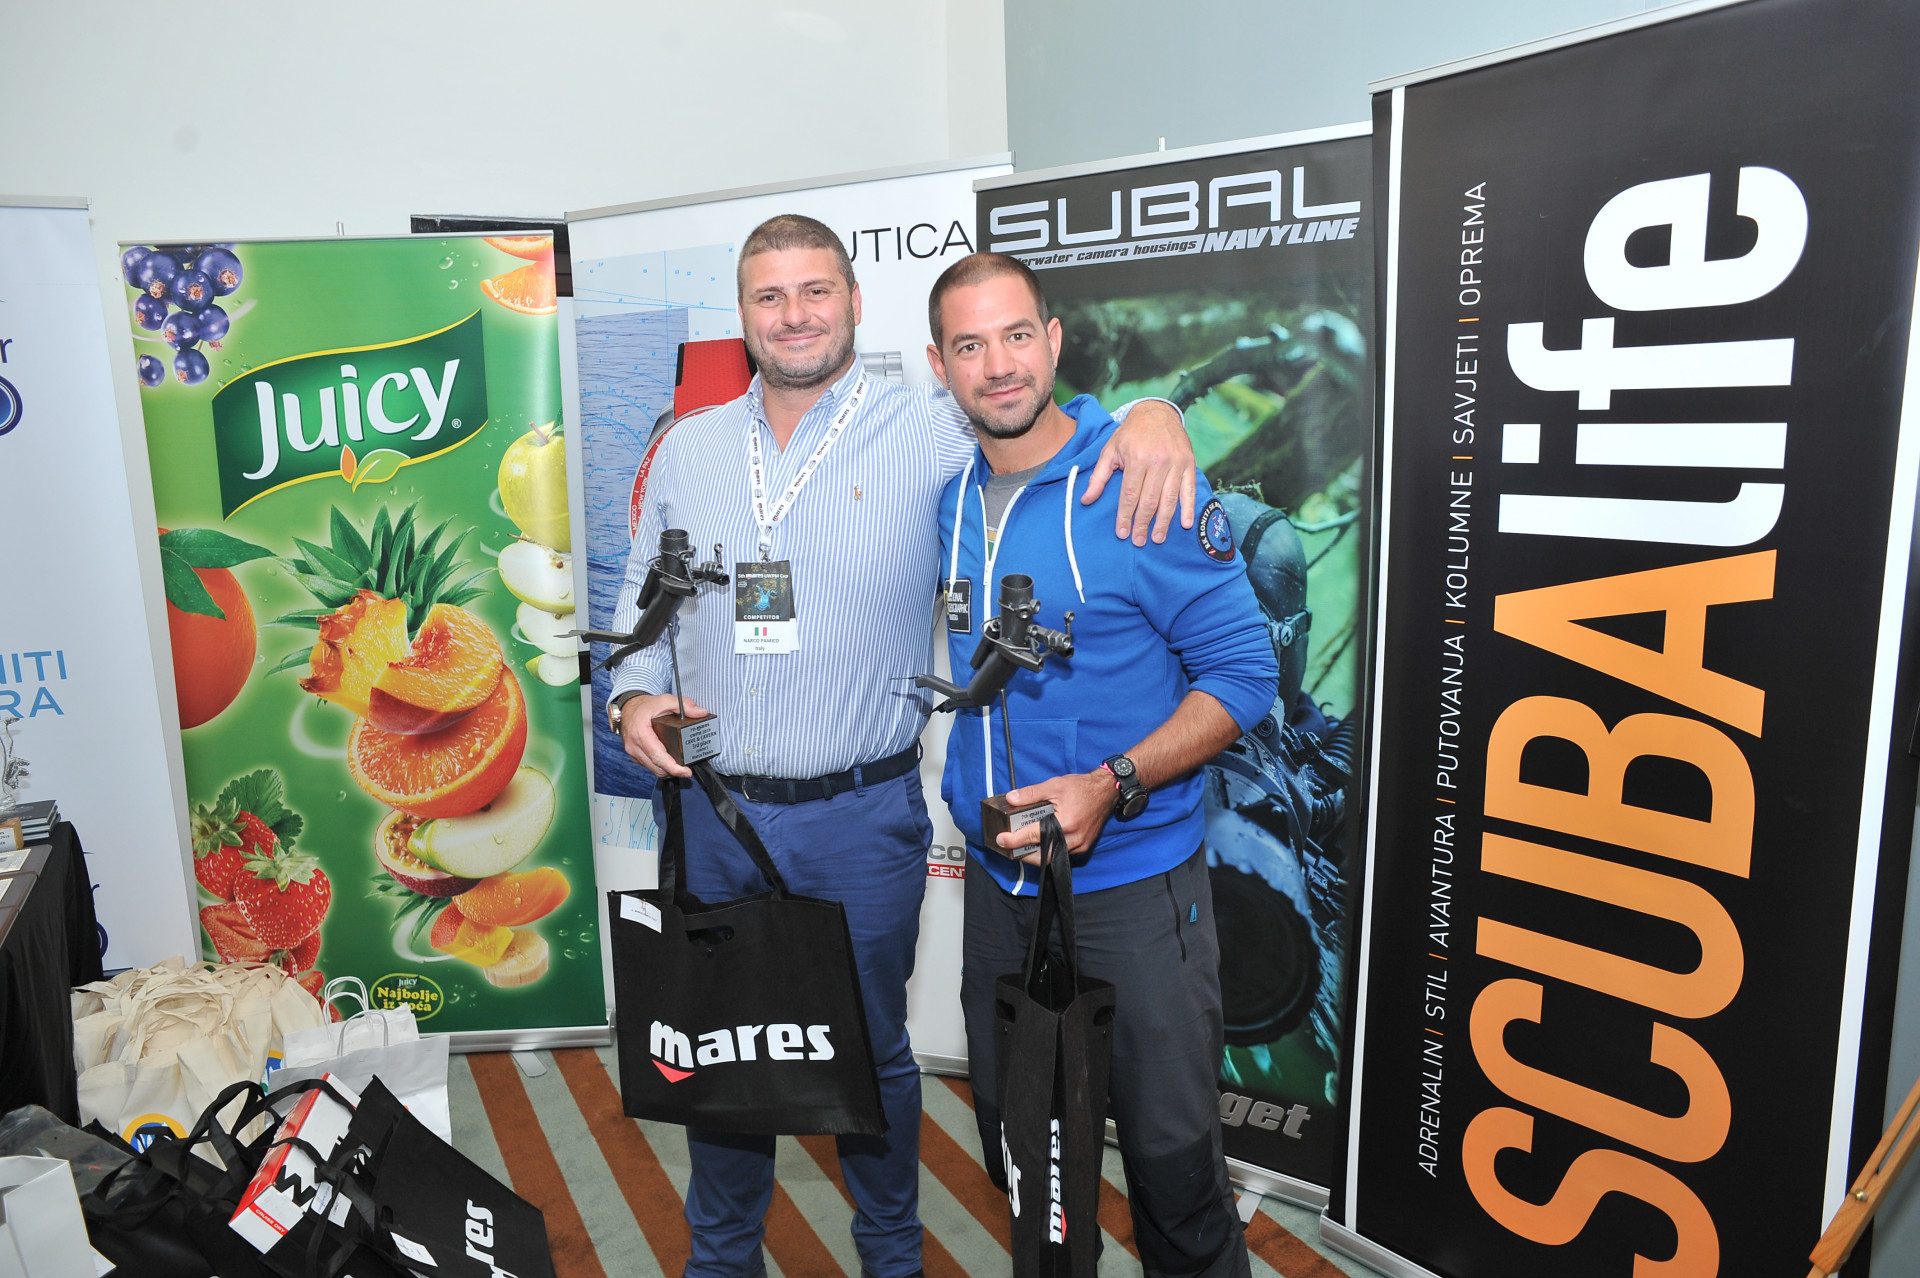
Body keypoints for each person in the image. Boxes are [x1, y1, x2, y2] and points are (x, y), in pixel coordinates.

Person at [607, 214, 1197, 1278]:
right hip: (712, 811)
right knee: (717, 1049)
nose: (794, 315)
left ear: (852, 301)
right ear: (742, 314)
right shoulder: (687, 448)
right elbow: (642, 610)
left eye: (815, 291)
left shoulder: (928, 433)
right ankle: (720, 1261)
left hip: (859, 819)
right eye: (770, 296)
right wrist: (634, 697)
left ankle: (891, 1258)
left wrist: (1157, 412)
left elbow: (1038, 420)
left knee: (872, 1051)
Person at [925, 251, 1277, 1278]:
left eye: (1016, 335)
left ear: (1054, 341)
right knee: (1029, 1169)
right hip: (1001, 895)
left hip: (1133, 895)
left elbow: (1244, 674)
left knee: (1175, 1179)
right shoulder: (948, 500)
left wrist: (1114, 783)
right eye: (970, 345)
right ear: (941, 366)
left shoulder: (1139, 484)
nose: (998, 365)